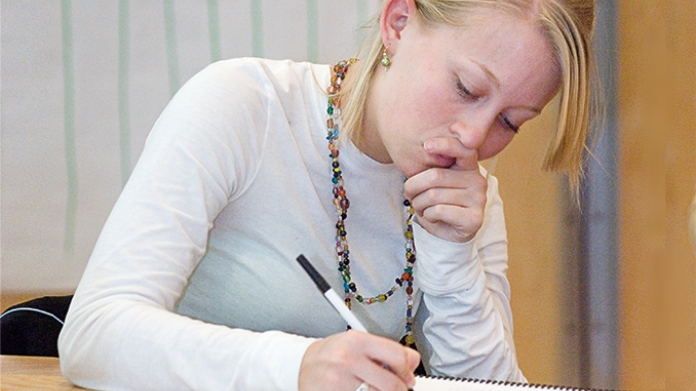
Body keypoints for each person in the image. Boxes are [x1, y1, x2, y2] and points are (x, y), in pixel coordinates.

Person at [58, 0, 595, 390]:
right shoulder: (245, 107)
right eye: (466, 89)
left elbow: (488, 388)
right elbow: (94, 334)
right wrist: (295, 368)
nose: (475, 138)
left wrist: (451, 252)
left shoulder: (466, 198)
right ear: (399, 23)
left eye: (510, 121)